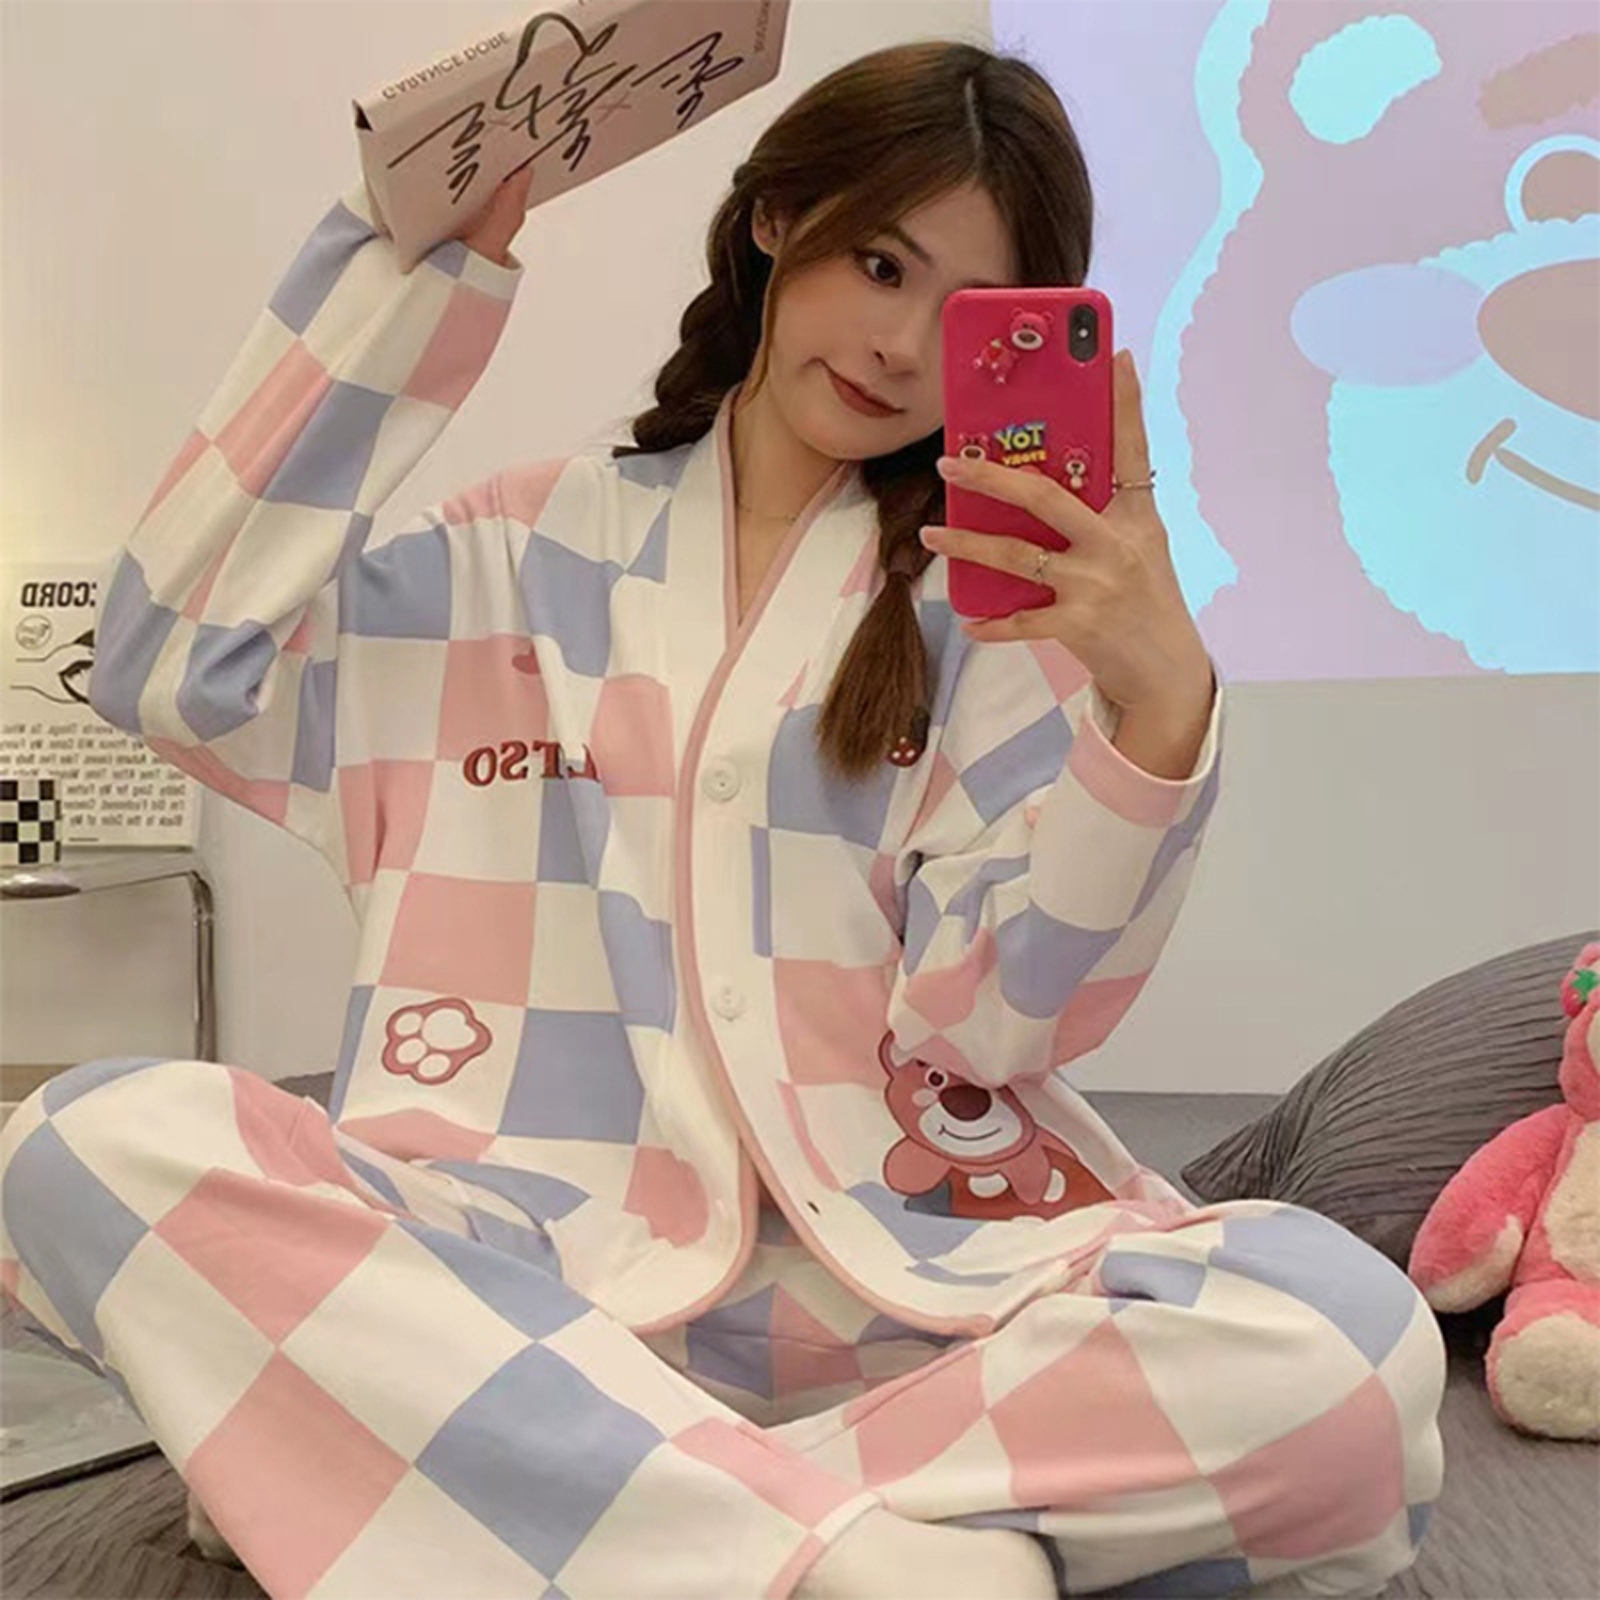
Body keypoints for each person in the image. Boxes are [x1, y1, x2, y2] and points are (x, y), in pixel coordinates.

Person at [0, 39, 1444, 1600]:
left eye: (962, 315)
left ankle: (500, 1488)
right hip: (518, 1275)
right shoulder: (511, 556)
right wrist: (415, 274)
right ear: (777, 218)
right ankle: (852, 1557)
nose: (900, 346)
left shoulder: (992, 617)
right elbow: (172, 666)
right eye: (879, 264)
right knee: (80, 1145)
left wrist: (1154, 716)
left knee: (1346, 1350)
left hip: (895, 1304)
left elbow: (998, 1028)